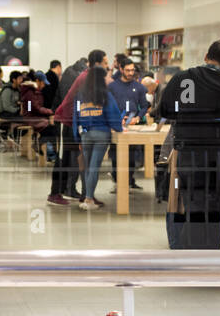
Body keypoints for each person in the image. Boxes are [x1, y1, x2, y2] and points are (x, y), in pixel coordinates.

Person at [158, 40, 220, 249]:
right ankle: (209, 252)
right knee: (213, 206)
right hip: (215, 153)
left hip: (186, 151)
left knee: (191, 202)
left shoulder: (182, 78)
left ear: (206, 56)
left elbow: (164, 111)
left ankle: (191, 252)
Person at [48, 52, 102, 206]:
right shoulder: (81, 77)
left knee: (78, 159)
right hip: (66, 122)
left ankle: (83, 193)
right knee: (62, 159)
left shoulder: (78, 74)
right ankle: (55, 193)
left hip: (72, 122)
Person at [73, 66, 124, 209]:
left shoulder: (80, 95)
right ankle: (89, 200)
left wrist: (77, 136)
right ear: (101, 79)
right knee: (94, 167)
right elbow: (113, 114)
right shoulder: (105, 95)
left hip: (85, 134)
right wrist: (119, 128)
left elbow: (76, 116)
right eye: (107, 76)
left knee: (88, 168)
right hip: (101, 134)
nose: (110, 79)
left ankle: (86, 199)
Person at [108, 59, 149, 190]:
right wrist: (115, 119)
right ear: (121, 69)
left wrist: (137, 118)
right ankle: (117, 181)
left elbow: (144, 106)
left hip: (133, 126)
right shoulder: (112, 87)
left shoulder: (139, 87)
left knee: (132, 155)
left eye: (132, 70)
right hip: (116, 126)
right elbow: (107, 106)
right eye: (128, 70)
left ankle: (130, 181)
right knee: (116, 155)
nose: (131, 73)